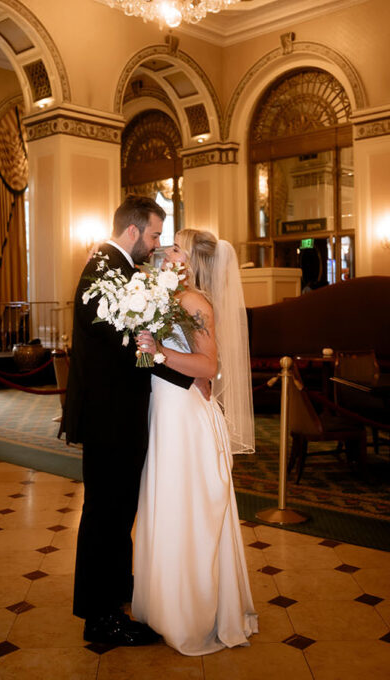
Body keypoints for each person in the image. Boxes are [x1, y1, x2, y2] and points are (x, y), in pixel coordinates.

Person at [61, 195, 194, 646]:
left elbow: (132, 342)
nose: (156, 245)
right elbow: (128, 343)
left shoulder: (117, 271)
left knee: (117, 514)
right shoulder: (105, 270)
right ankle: (100, 620)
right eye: (155, 234)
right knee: (107, 515)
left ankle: (113, 602)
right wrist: (186, 376)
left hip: (115, 415)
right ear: (133, 230)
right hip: (109, 417)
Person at [132, 228, 259, 656]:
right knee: (166, 507)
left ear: (188, 261)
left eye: (174, 247)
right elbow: (153, 360)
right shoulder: (169, 298)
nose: (165, 250)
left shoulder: (194, 302)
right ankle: (165, 606)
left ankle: (191, 614)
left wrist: (159, 352)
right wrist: (145, 351)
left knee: (183, 511)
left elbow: (208, 366)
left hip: (184, 417)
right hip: (166, 409)